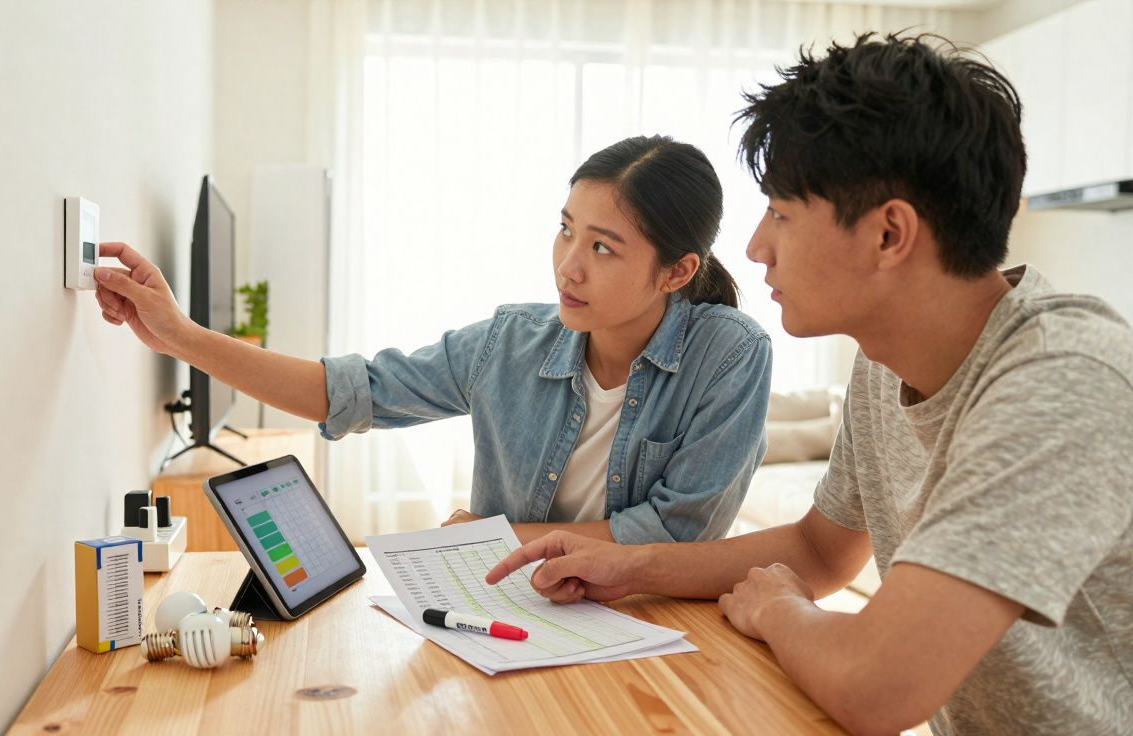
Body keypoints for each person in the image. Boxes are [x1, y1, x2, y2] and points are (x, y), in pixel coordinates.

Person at [485, 34, 1133, 735]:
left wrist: (778, 610)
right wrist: (627, 565)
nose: (758, 246)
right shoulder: (887, 362)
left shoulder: (1063, 380)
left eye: (782, 214)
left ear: (889, 235)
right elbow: (822, 552)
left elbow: (876, 688)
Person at [94, 135, 773, 545]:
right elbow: (349, 392)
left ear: (677, 271)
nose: (569, 263)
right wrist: (180, 337)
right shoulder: (513, 342)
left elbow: (678, 533)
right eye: (566, 229)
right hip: (521, 611)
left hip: (656, 623)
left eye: (603, 247)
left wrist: (500, 540)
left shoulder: (731, 354)